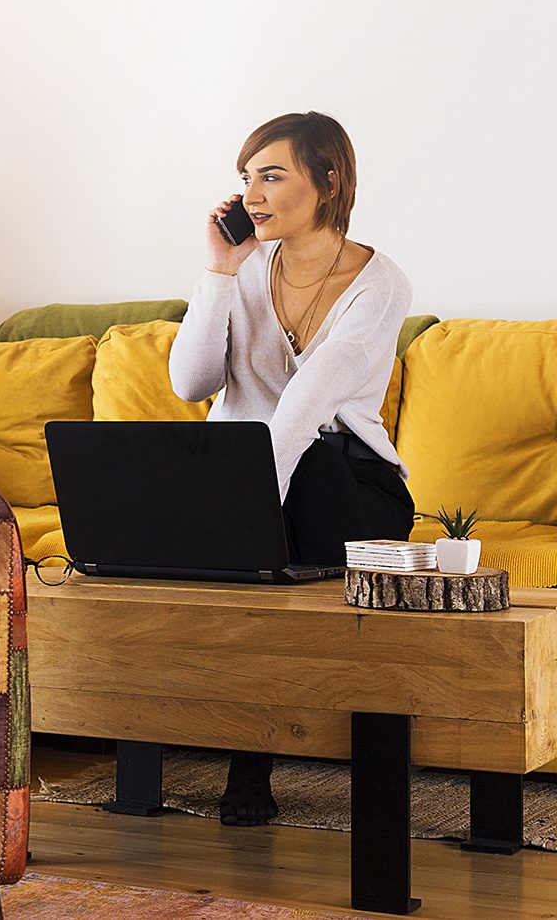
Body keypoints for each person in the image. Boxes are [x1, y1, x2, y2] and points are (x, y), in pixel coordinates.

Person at [169, 111, 416, 826]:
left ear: (329, 181)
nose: (253, 194)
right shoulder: (245, 269)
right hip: (256, 477)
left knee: (304, 472)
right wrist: (218, 272)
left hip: (350, 484)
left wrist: (244, 515)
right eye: (246, 178)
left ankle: (258, 767)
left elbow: (306, 408)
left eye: (272, 176)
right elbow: (190, 383)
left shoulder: (380, 284)